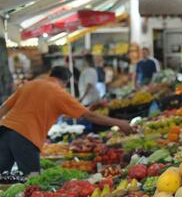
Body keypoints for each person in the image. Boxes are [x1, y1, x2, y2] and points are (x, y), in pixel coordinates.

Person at [0, 66, 133, 175]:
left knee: (2, 177)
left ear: (50, 75)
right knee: (32, 179)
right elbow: (89, 116)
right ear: (66, 82)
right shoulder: (59, 93)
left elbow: (4, 107)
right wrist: (119, 122)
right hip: (26, 136)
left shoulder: (29, 85)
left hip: (4, 131)